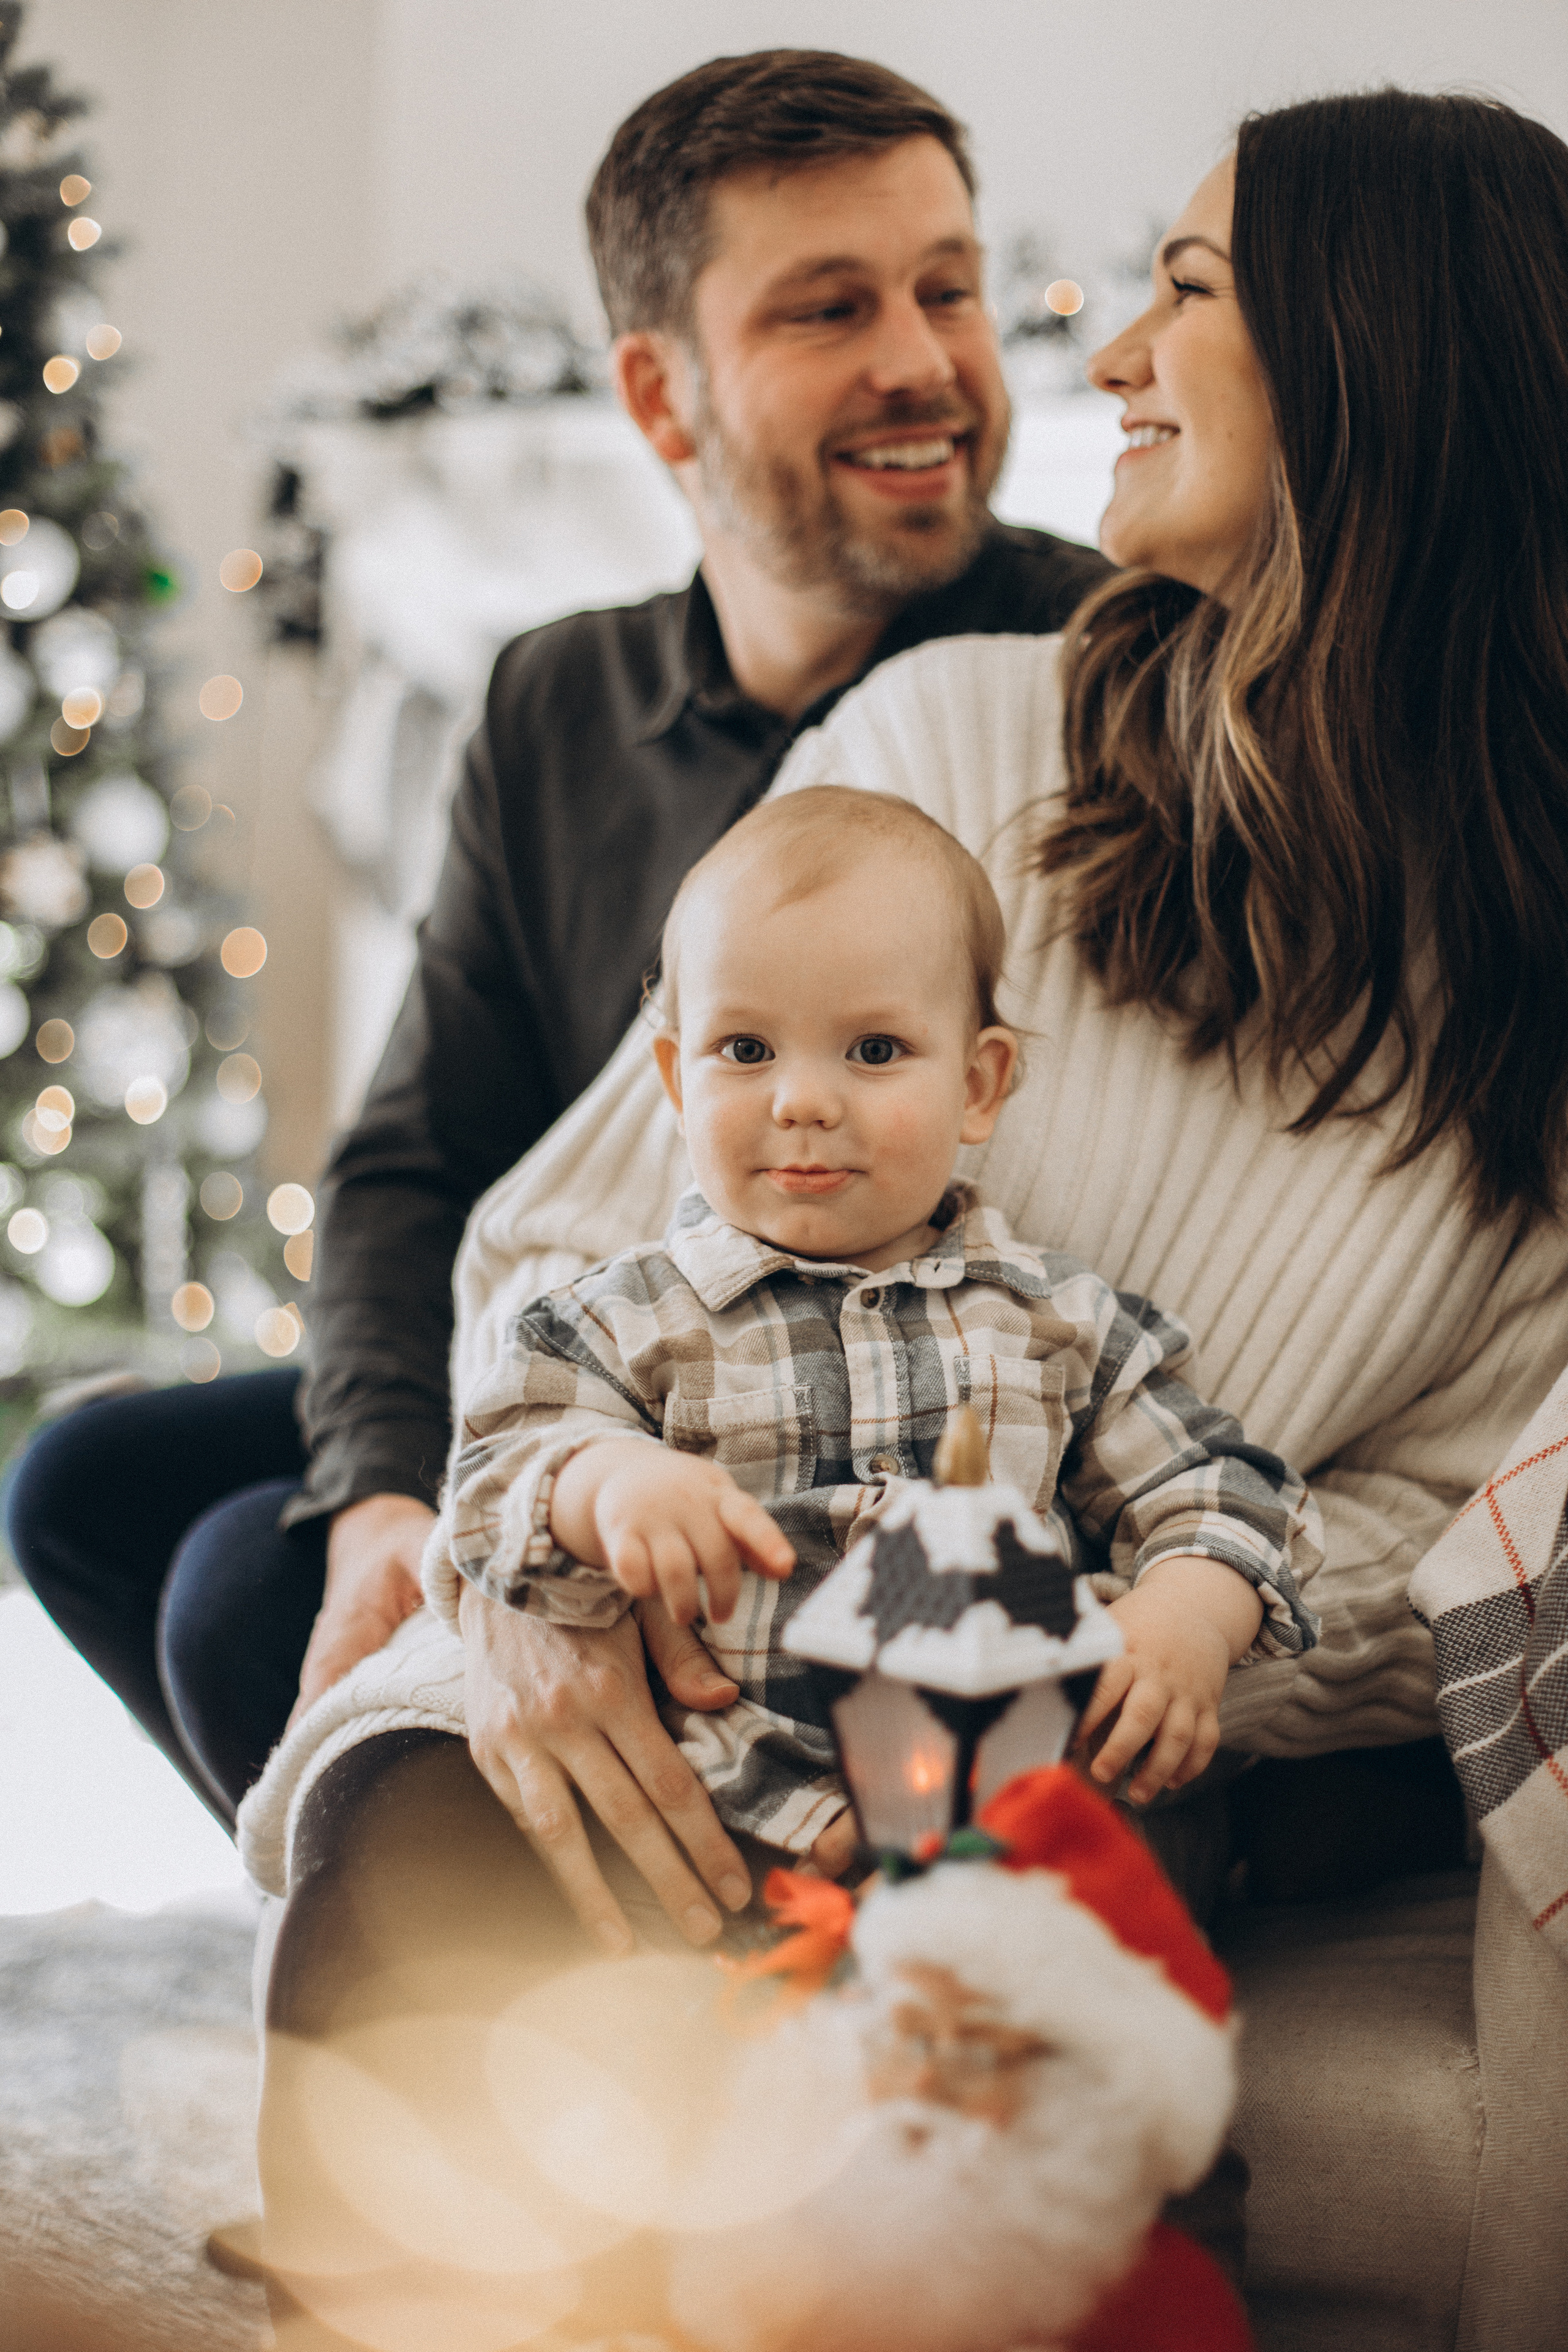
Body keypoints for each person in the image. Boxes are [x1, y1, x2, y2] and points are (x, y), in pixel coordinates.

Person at [242, 88, 1568, 2339]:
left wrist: (1127, 1642)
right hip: (659, 1621)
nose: (1107, 355)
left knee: (1036, 2100)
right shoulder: (958, 732)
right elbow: (558, 1244)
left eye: (1187, 289)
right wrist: (547, 1572)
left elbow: (1448, 1520)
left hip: (1073, 1745)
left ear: (1377, 363)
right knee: (413, 1841)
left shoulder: (1532, 1002)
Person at [3, 50, 1106, 1826]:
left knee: (228, 1594)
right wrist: (388, 1495)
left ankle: (510, 1926)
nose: (926, 361)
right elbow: (413, 1161)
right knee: (85, 1486)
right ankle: (464, 1895)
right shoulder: (556, 701)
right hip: (580, 1349)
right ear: (660, 399)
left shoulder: (1095, 673)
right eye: (831, 309)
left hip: (843, 1418)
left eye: (948, 288)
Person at [423, 785, 1319, 1878]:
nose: (802, 1099)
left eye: (876, 1050)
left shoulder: (1058, 1320)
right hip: (734, 1810)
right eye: (746, 1050)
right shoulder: (627, 1319)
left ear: (980, 1086)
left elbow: (1224, 1486)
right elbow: (492, 1477)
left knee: (1138, 1844)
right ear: (675, 1079)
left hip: (1008, 1807)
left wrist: (1191, 1614)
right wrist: (601, 1482)